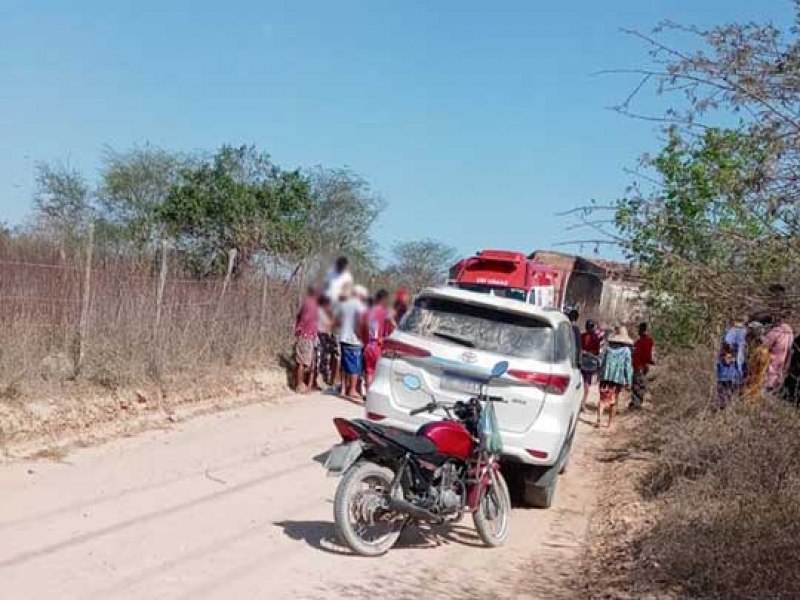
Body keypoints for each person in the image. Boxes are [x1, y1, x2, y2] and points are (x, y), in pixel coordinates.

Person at [596, 326, 633, 429]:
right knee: (614, 401)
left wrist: (599, 374)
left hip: (605, 377)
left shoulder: (608, 348)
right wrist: (628, 381)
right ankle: (610, 423)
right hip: (616, 379)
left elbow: (600, 361)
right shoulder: (626, 351)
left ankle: (599, 419)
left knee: (602, 398)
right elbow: (627, 367)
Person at [336, 286, 367, 400]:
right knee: (355, 366)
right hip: (354, 340)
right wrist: (360, 335)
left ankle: (343, 388)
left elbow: (338, 321)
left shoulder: (344, 305)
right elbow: (360, 322)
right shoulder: (359, 307)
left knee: (344, 365)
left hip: (343, 337)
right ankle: (352, 389)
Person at [716, 319, 747, 409]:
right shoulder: (744, 331)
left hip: (728, 368)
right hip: (738, 367)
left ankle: (724, 409)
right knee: (734, 390)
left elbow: (727, 343)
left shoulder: (733, 331)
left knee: (724, 389)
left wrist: (729, 355)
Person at [293, 286, 318, 393]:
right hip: (308, 335)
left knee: (301, 361)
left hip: (302, 334)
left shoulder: (305, 302)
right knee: (303, 363)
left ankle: (300, 384)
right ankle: (299, 385)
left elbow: (298, 316)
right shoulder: (315, 305)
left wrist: (297, 328)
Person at [363, 289, 390, 388]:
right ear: (383, 299)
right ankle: (371, 395)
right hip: (378, 345)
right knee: (377, 371)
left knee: (369, 371)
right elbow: (391, 325)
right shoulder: (384, 312)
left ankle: (367, 394)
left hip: (368, 345)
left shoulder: (368, 312)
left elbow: (364, 328)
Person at [765, 316, 794, 393]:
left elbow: (766, 344)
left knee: (770, 371)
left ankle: (768, 388)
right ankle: (774, 387)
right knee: (778, 371)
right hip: (783, 356)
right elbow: (790, 347)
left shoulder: (776, 332)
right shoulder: (790, 333)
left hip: (773, 355)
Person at [743, 322, 770, 403]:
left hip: (756, 372)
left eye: (750, 330)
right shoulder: (755, 343)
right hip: (755, 372)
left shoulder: (761, 348)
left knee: (753, 389)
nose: (748, 331)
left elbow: (759, 364)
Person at [630, 322, 655, 409]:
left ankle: (636, 404)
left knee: (637, 385)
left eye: (639, 330)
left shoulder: (639, 342)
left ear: (641, 331)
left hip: (639, 367)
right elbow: (649, 356)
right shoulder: (649, 341)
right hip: (643, 366)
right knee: (639, 384)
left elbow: (643, 355)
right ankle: (635, 403)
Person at [579, 319, 601, 412]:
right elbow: (596, 352)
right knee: (586, 384)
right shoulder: (595, 337)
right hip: (589, 364)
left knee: (582, 383)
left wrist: (584, 352)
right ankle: (582, 404)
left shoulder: (583, 336)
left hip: (582, 362)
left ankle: (581, 403)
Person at [315, 295, 336, 387]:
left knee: (325, 358)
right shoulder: (321, 311)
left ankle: (323, 378)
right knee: (320, 357)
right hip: (320, 336)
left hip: (326, 337)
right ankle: (318, 378)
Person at [781, 334, 800, 406]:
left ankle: (790, 398)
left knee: (793, 381)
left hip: (796, 366)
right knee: (792, 380)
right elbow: (794, 344)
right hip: (796, 365)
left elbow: (794, 344)